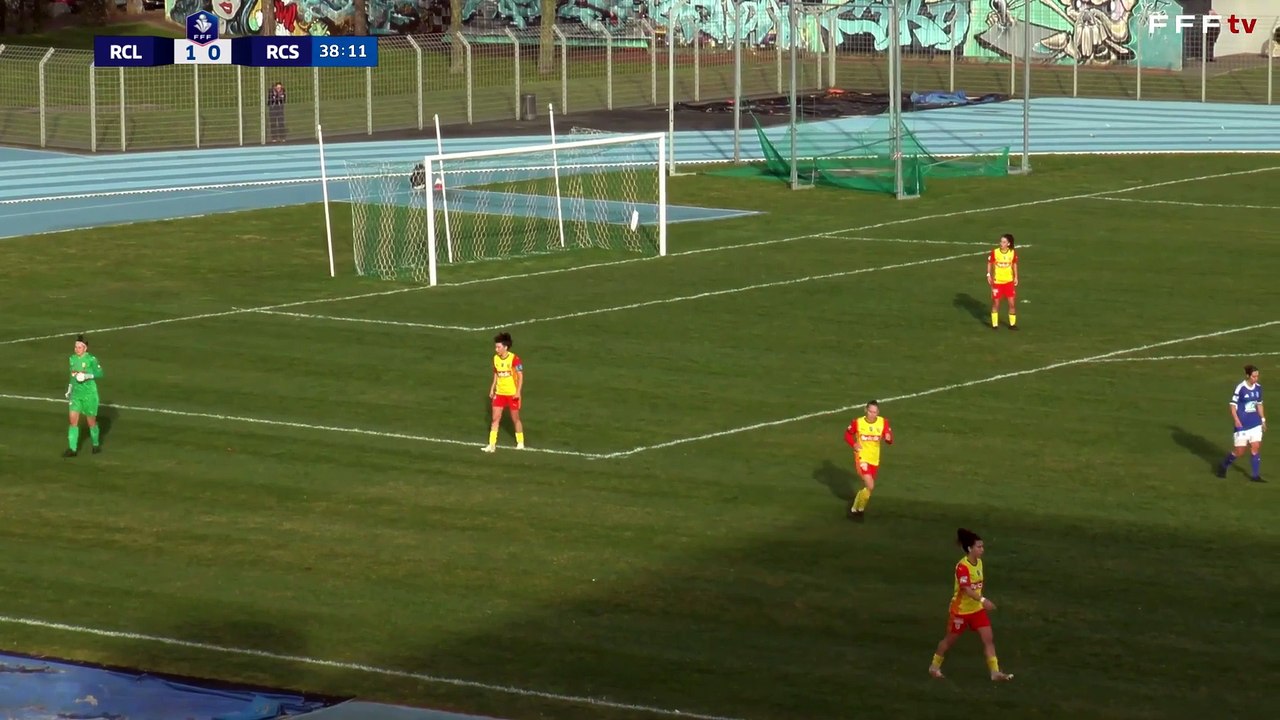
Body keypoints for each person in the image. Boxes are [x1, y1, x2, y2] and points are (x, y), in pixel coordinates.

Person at [928, 528, 1014, 682]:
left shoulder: (979, 563)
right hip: (961, 611)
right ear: (970, 548)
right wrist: (983, 600)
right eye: (979, 547)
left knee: (988, 638)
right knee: (949, 641)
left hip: (976, 611)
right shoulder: (962, 567)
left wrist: (980, 603)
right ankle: (934, 667)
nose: (982, 549)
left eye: (982, 546)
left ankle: (995, 672)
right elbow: (966, 589)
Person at [843, 400, 892, 520]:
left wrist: (888, 438)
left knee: (869, 488)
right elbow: (847, 435)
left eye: (875, 412)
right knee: (870, 484)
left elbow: (890, 440)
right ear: (866, 410)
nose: (872, 414)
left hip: (874, 459)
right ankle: (857, 509)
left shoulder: (883, 422)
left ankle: (857, 509)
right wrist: (853, 444)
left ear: (878, 412)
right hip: (862, 457)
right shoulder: (858, 422)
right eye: (870, 411)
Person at [1217, 364, 1265, 482]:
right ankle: (1224, 465)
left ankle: (1255, 476)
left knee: (1255, 447)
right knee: (1240, 451)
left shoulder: (1258, 388)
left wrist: (1263, 420)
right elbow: (1232, 406)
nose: (1256, 379)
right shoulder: (1240, 388)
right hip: (1242, 424)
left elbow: (1259, 404)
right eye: (1253, 376)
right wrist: (1236, 420)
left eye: (1257, 376)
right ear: (1248, 375)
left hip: (1255, 423)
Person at [64, 334, 105, 457]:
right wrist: (70, 389)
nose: (77, 349)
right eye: (75, 347)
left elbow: (100, 373)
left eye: (79, 347)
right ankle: (72, 449)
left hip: (89, 395)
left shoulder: (91, 359)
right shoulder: (72, 359)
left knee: (91, 422)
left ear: (85, 348)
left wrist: (87, 376)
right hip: (76, 395)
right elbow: (72, 376)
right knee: (72, 421)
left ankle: (96, 444)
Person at [484, 331, 524, 452]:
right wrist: (492, 388)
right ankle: (491, 445)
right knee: (495, 418)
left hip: (512, 393)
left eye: (498, 347)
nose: (496, 349)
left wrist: (518, 392)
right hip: (500, 393)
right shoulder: (495, 359)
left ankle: (520, 442)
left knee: (515, 419)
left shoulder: (514, 359)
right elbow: (496, 374)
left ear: (505, 347)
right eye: (496, 347)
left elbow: (520, 376)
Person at [987, 233, 1018, 330]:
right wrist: (988, 274)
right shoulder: (995, 252)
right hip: (997, 282)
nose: (1001, 243)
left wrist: (1016, 277)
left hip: (1009, 282)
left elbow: (1014, 264)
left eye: (1004, 242)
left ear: (1008, 244)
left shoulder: (1012, 253)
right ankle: (994, 325)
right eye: (1001, 241)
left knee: (1012, 304)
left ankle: (1012, 325)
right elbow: (989, 263)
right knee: (996, 303)